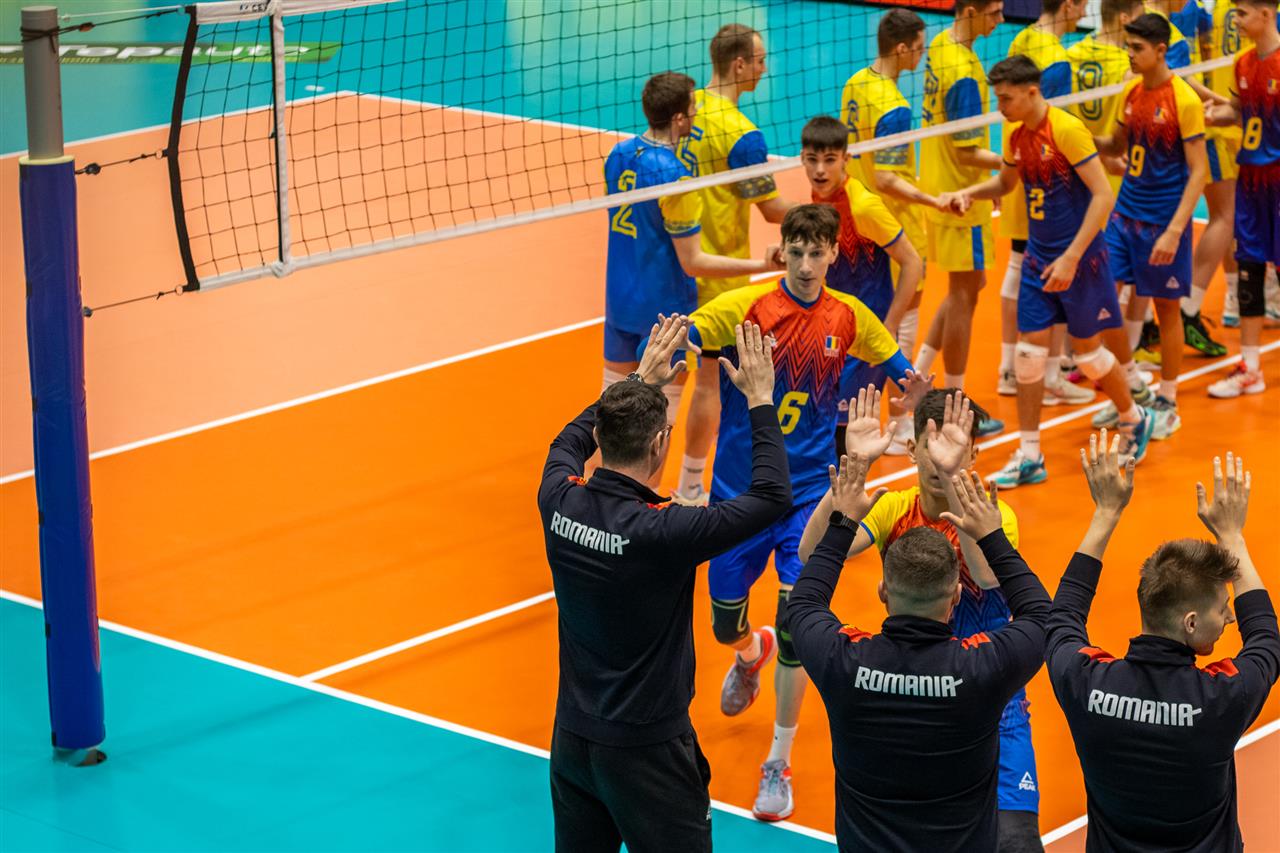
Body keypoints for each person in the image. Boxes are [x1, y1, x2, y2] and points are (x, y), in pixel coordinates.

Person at [684, 203, 929, 822]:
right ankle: (749, 653)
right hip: (739, 495)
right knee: (724, 625)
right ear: (783, 250)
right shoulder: (742, 308)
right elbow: (682, 336)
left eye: (817, 252)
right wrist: (658, 355)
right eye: (796, 251)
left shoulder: (848, 317)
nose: (805, 263)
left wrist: (916, 393)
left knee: (798, 624)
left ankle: (778, 760)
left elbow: (901, 371)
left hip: (807, 500)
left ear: (832, 255)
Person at [540, 314, 792, 853]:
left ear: (601, 437)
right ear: (661, 444)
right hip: (649, 753)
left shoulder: (558, 498)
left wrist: (637, 380)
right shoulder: (665, 530)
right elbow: (773, 496)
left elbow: (567, 439)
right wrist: (760, 398)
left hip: (573, 741)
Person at [797, 387, 1046, 851]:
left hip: (991, 697)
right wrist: (853, 473)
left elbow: (987, 576)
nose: (937, 461)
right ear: (911, 449)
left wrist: (953, 481)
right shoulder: (893, 507)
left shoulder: (993, 514)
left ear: (973, 452)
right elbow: (812, 553)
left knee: (1018, 841)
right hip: (916, 688)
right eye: (930, 448)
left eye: (953, 448)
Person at [1045, 436, 1278, 850]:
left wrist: (1106, 512)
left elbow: (1062, 618)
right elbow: (1264, 638)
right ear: (1191, 623)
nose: (1230, 617)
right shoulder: (1223, 698)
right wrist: (1232, 535)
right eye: (1222, 608)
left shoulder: (1086, 683)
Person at [944, 56, 1158, 487]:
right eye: (997, 98)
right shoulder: (1016, 136)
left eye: (1006, 98)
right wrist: (970, 192)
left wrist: (1072, 257)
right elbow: (1005, 184)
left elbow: (1103, 196)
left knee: (1089, 356)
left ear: (1032, 92)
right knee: (1028, 356)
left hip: (1081, 261)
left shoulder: (1066, 130)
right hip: (1039, 259)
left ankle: (1134, 416)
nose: (1000, 107)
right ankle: (1030, 455)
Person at [603, 70, 780, 483]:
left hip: (619, 305)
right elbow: (693, 262)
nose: (698, 113)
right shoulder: (677, 177)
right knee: (654, 432)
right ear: (680, 118)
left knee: (610, 422)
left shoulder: (617, 154)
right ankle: (645, 512)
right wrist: (763, 265)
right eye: (694, 108)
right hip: (665, 317)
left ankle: (598, 507)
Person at [676, 24, 796, 506]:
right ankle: (692, 486)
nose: (765, 69)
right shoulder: (742, 134)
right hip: (719, 278)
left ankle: (665, 482)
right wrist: (828, 208)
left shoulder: (687, 108)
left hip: (677, 264)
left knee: (668, 381)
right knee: (712, 384)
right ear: (739, 64)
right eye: (760, 61)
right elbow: (772, 210)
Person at [1093, 13, 1208, 438]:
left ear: (1160, 50)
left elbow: (1199, 171)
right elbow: (1115, 145)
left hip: (1162, 220)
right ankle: (1129, 388)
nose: (1129, 54)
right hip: (1124, 214)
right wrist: (1077, 136)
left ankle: (1169, 400)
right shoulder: (1130, 91)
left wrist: (1176, 230)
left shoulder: (1184, 100)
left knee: (1166, 308)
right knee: (1103, 297)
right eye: (1128, 46)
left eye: (1137, 48)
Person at [840, 8, 941, 451]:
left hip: (859, 223)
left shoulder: (855, 83)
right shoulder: (896, 108)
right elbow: (886, 178)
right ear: (901, 48)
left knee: (867, 323)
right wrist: (932, 199)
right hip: (895, 223)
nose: (921, 55)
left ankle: (866, 419)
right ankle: (900, 425)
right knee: (899, 325)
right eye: (918, 48)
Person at [799, 116, 924, 458]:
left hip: (864, 332)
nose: (820, 170)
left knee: (845, 434)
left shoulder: (864, 206)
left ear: (846, 159)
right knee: (823, 425)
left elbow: (912, 262)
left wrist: (889, 325)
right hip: (833, 327)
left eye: (829, 160)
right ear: (801, 159)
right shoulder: (818, 196)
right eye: (812, 160)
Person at [998, 0, 1096, 410]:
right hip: (1046, 185)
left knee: (1018, 268)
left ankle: (1011, 367)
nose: (1084, 12)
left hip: (1020, 170)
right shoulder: (1057, 61)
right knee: (1043, 277)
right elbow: (1052, 129)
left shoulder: (1022, 38)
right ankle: (1050, 371)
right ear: (1068, 4)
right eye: (1083, 4)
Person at [917, 0, 1007, 437]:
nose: (1001, 20)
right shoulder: (963, 73)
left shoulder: (942, 43)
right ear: (970, 10)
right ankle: (954, 404)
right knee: (963, 295)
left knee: (969, 288)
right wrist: (1010, 165)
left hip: (941, 185)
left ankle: (918, 377)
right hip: (960, 199)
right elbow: (966, 151)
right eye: (995, 12)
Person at [1205, 0, 1279, 398]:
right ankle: (1250, 368)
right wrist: (1213, 114)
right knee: (1249, 266)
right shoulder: (1243, 63)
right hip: (1250, 179)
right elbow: (1240, 111)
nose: (1235, 20)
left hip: (1278, 179)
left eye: (1242, 13)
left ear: (1266, 14)